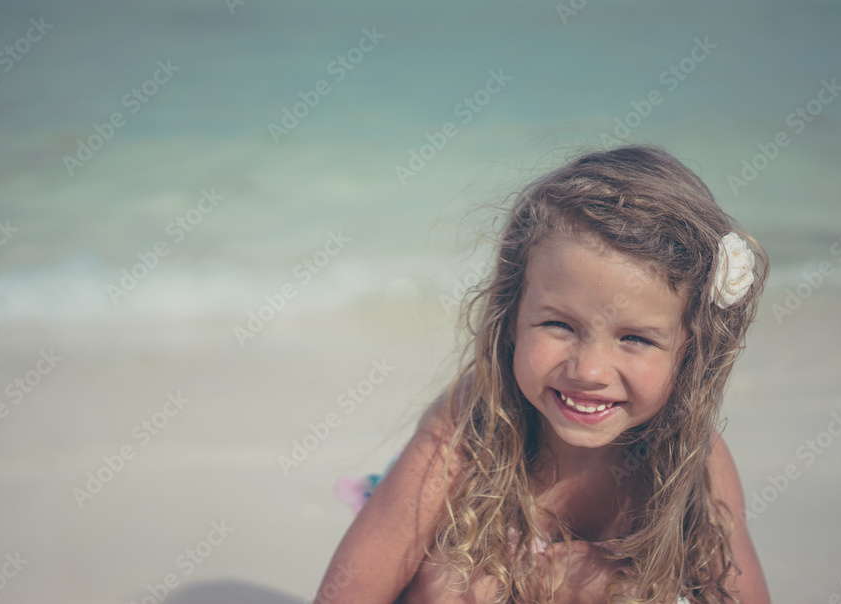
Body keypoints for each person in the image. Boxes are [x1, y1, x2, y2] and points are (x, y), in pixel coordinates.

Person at [316, 145, 773, 603]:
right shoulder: (467, 430)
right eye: (558, 325)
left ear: (690, 349)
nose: (589, 370)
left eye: (635, 339)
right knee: (461, 584)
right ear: (511, 315)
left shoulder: (695, 459)